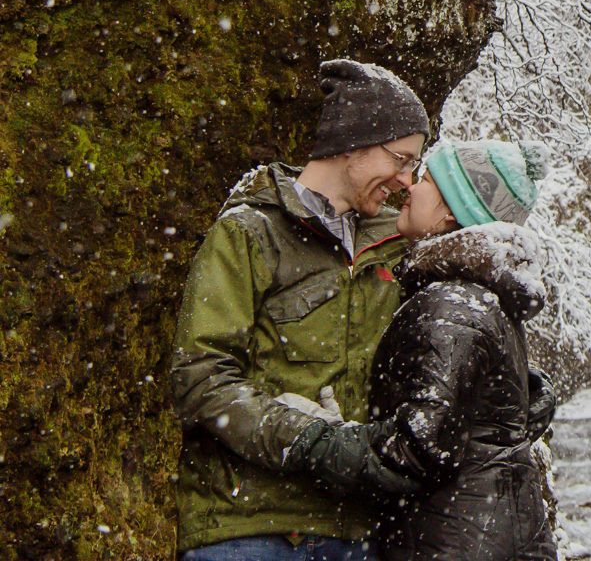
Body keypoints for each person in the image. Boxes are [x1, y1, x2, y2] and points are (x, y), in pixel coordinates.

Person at [172, 59, 430, 561]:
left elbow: (447, 329)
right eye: (400, 159)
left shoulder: (401, 242)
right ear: (353, 143)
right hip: (245, 528)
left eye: (414, 166)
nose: (405, 179)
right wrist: (309, 442)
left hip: (357, 533)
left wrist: (506, 388)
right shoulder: (249, 232)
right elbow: (201, 377)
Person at [366, 138, 558, 561]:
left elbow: (421, 446)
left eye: (427, 180)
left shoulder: (450, 303)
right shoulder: (481, 297)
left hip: (452, 542)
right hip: (486, 533)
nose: (410, 188)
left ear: (452, 210)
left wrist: (314, 440)